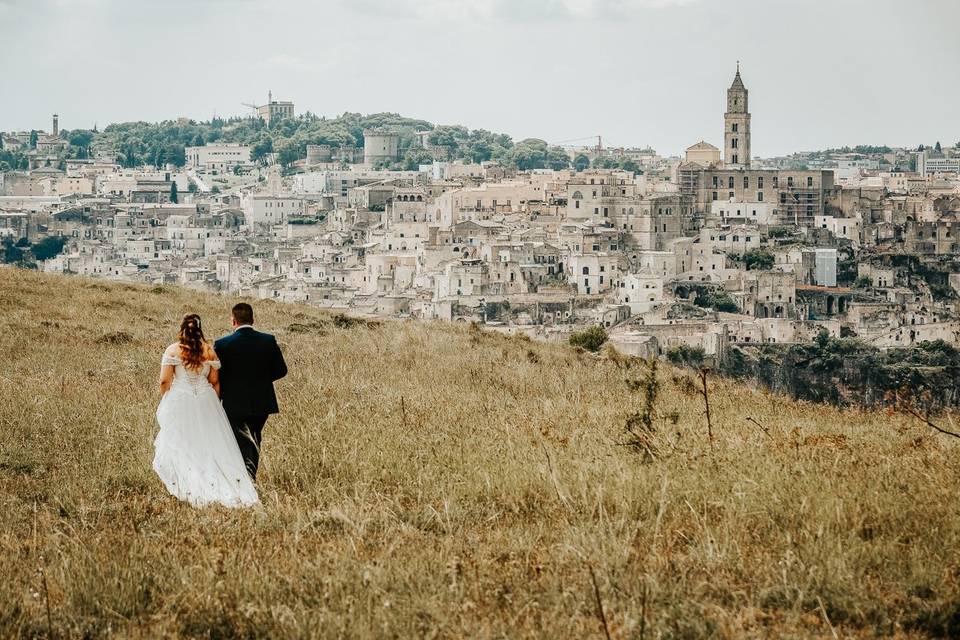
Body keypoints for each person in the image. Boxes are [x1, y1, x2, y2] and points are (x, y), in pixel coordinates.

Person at [153, 314, 258, 507]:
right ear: (200, 329)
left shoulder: (173, 350)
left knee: (184, 441)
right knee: (211, 441)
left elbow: (164, 381)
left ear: (182, 328)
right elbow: (215, 381)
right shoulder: (209, 350)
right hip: (206, 398)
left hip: (181, 398)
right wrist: (214, 403)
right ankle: (221, 482)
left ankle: (187, 482)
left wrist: (167, 398)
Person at [214, 302, 287, 481]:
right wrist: (261, 380)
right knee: (254, 437)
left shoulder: (222, 344)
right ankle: (249, 475)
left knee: (239, 441)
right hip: (262, 401)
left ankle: (243, 478)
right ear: (253, 320)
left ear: (233, 321)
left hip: (233, 402)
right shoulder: (268, 340)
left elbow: (217, 375)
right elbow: (281, 370)